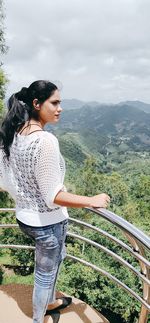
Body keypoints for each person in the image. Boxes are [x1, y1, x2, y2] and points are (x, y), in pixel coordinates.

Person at [0, 80, 110, 323]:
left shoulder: (15, 133)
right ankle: (40, 317)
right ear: (37, 104)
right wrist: (92, 200)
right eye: (55, 102)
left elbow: (9, 178)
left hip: (25, 218)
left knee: (55, 259)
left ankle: (48, 302)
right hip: (47, 224)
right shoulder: (45, 141)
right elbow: (54, 197)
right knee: (44, 275)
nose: (60, 108)